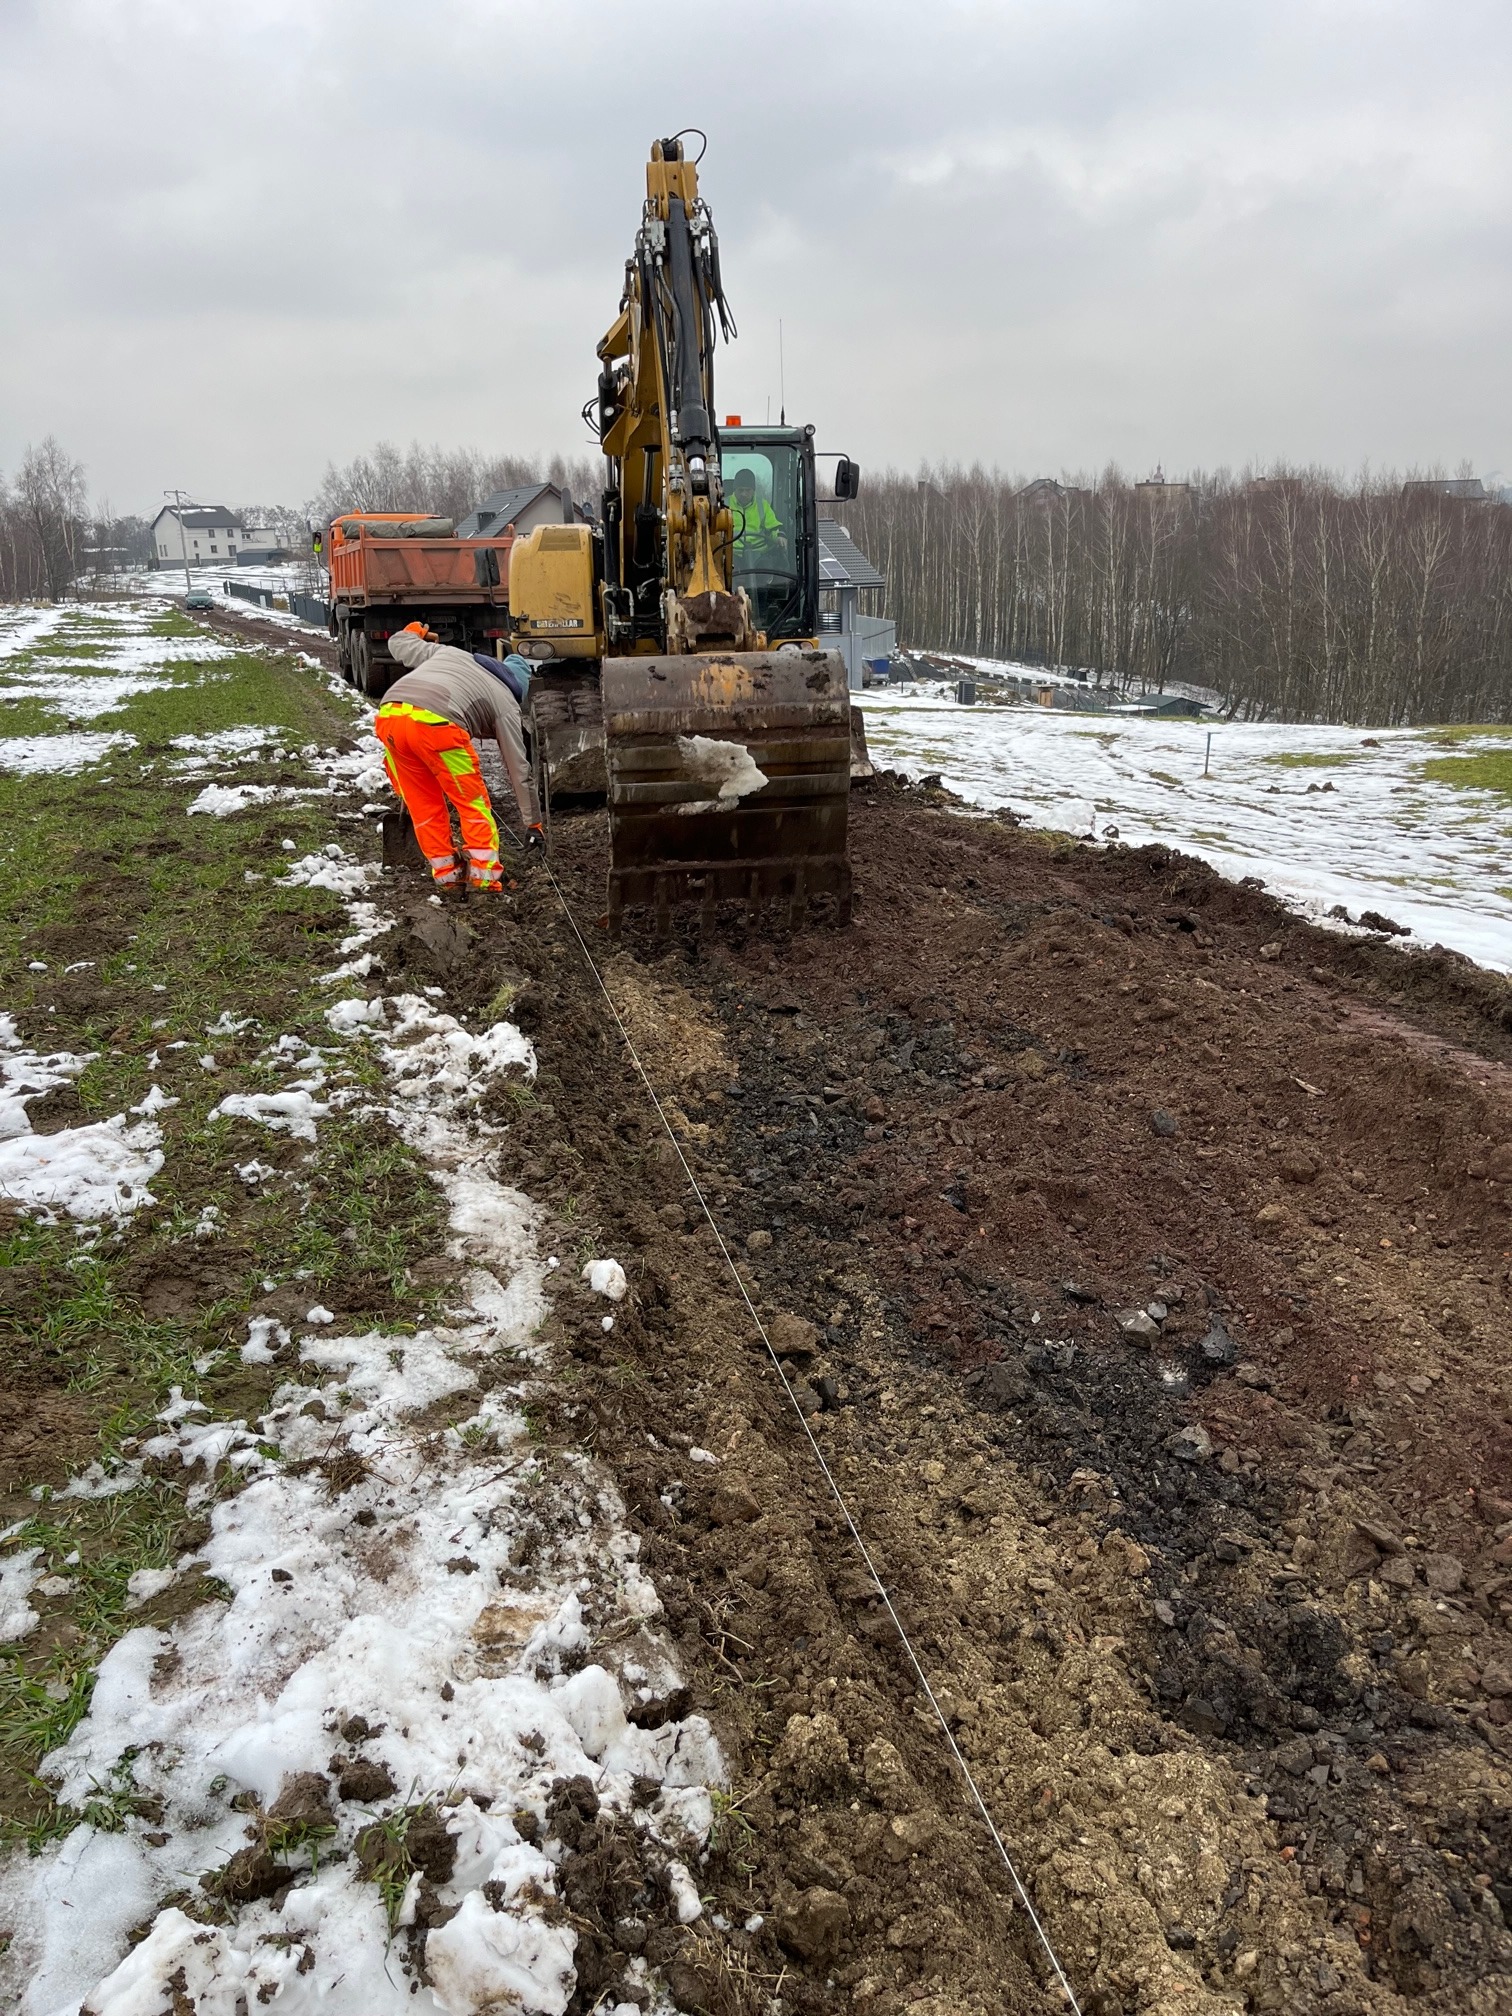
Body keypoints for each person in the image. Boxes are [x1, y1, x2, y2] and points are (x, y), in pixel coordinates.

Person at [375, 622, 543, 892]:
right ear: (517, 687)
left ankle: (448, 877)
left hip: (390, 716)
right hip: (438, 725)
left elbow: (399, 644)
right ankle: (484, 880)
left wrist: (414, 631)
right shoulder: (506, 701)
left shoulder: (449, 654)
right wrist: (533, 823)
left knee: (424, 805)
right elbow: (519, 770)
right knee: (472, 803)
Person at [728, 467, 783, 568]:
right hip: (732, 554)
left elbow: (774, 527)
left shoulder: (762, 505)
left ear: (753, 490)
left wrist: (779, 537)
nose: (744, 494)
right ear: (734, 489)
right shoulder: (724, 505)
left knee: (770, 568)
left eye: (748, 490)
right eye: (740, 490)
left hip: (759, 554)